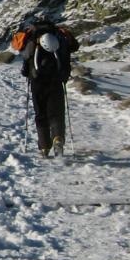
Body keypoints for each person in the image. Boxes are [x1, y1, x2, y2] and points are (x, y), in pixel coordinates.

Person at [11, 16, 79, 157]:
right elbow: (74, 47)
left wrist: (27, 72)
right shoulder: (59, 35)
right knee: (57, 112)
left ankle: (44, 147)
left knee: (40, 113)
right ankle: (58, 138)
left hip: (37, 81)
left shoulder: (31, 36)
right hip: (57, 80)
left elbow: (23, 54)